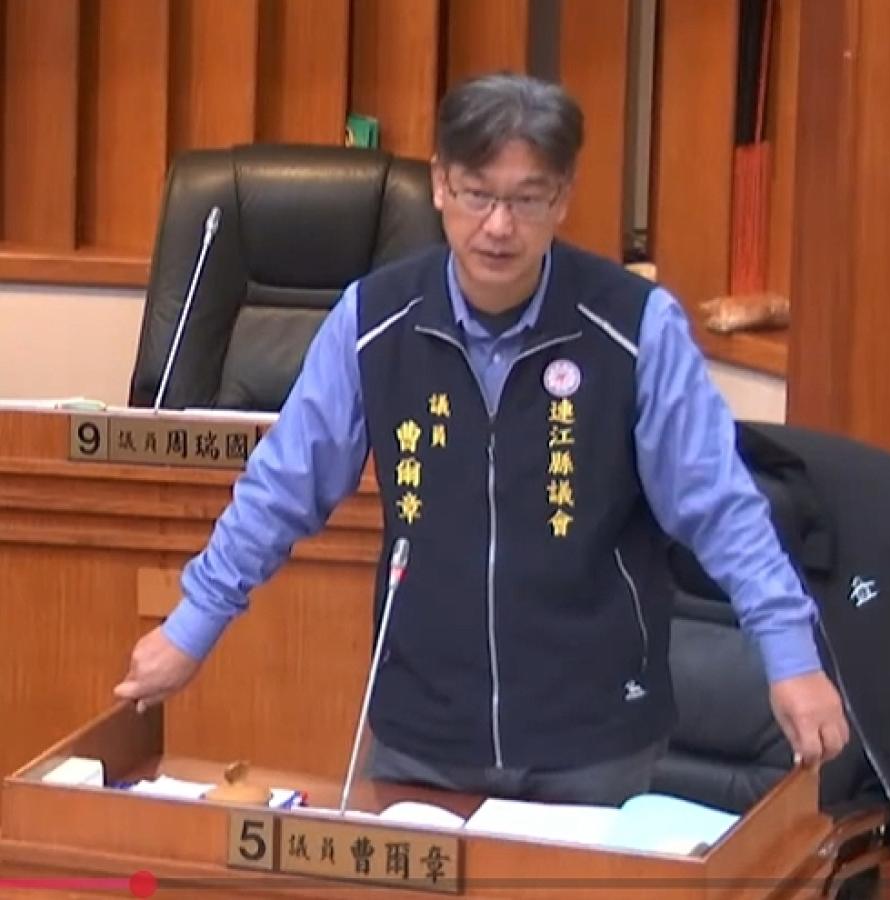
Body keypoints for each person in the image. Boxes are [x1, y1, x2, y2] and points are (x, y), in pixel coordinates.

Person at [115, 72, 848, 806]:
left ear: (562, 198)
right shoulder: (374, 319)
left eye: (527, 199)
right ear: (440, 185)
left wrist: (789, 652)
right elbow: (283, 488)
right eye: (477, 194)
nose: (498, 226)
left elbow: (717, 503)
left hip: (592, 732)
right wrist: (193, 624)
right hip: (422, 727)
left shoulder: (634, 325)